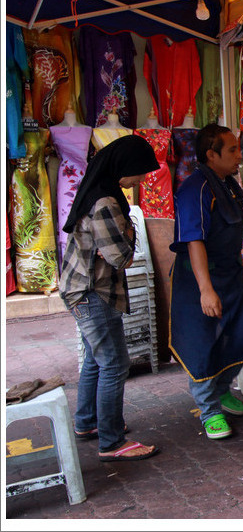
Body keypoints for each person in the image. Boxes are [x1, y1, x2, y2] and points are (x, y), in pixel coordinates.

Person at [59, 135, 161, 462]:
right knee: (115, 363)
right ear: (123, 168)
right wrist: (129, 233)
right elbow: (120, 258)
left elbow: (112, 253)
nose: (143, 179)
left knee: (95, 358)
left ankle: (87, 423)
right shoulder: (105, 203)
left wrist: (122, 237)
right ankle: (112, 441)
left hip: (80, 289)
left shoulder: (102, 191)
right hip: (92, 293)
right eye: (140, 172)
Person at [169, 124, 243, 440]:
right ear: (211, 155)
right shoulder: (194, 189)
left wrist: (241, 265)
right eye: (233, 150)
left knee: (241, 336)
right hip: (200, 280)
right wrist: (205, 290)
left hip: (232, 275)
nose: (240, 155)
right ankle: (209, 411)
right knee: (202, 346)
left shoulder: (227, 184)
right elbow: (194, 240)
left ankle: (223, 391)